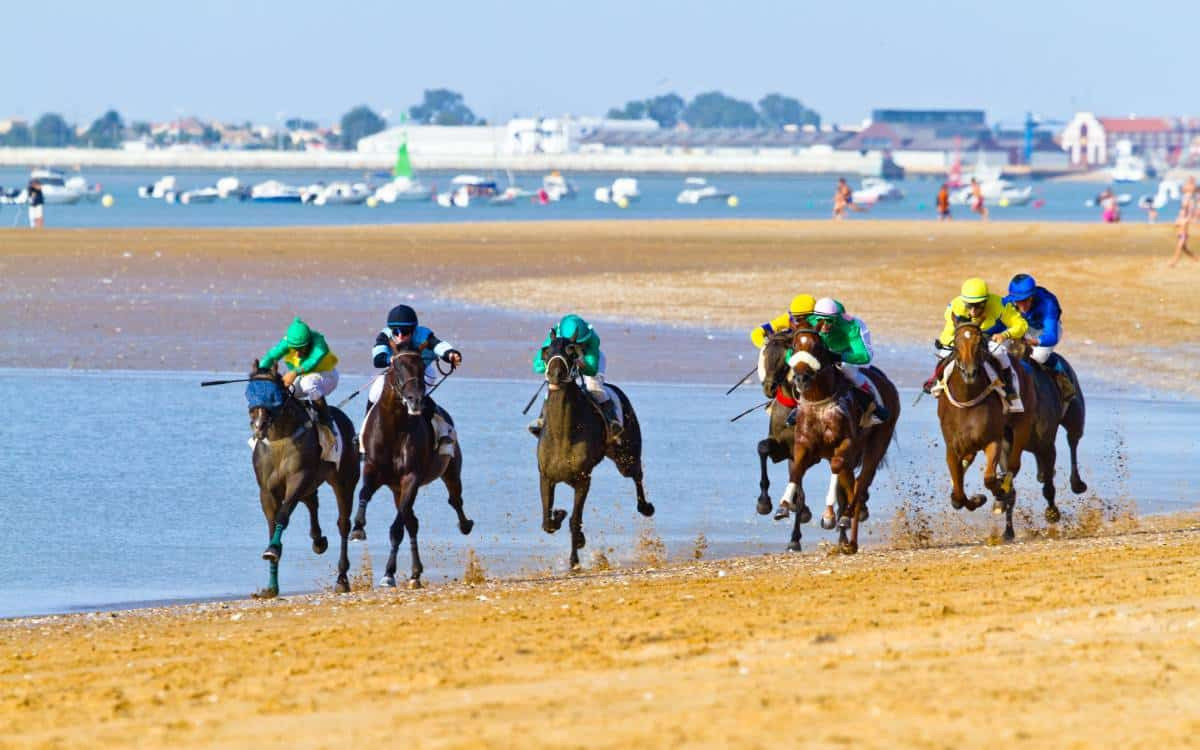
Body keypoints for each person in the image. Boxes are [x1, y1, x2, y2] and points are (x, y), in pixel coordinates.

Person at [366, 304, 461, 455]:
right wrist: (390, 359)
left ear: (414, 329)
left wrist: (450, 354)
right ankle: (365, 436)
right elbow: (378, 358)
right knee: (374, 393)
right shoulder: (384, 336)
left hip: (422, 371)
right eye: (395, 332)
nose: (400, 336)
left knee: (418, 394)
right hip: (398, 371)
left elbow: (439, 346)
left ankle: (443, 432)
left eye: (405, 332)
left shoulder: (423, 335)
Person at [923, 278, 1027, 413]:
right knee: (943, 353)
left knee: (999, 353)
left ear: (986, 301)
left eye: (978, 305)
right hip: (966, 338)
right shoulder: (955, 307)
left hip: (993, 337)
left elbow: (1021, 325)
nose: (972, 311)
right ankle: (937, 381)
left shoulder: (1000, 305)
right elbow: (947, 334)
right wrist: (951, 343)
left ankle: (1010, 389)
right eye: (969, 305)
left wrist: (1005, 335)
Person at [529, 313, 621, 440]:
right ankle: (542, 419)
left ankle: (612, 421)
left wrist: (582, 364)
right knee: (553, 383)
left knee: (593, 386)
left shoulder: (593, 338)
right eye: (574, 345)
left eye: (581, 344)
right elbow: (537, 366)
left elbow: (592, 369)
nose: (578, 346)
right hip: (565, 362)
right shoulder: (554, 336)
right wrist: (550, 365)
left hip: (587, 359)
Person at [990, 273, 1074, 401]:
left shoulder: (1048, 304)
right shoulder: (1008, 302)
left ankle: (1061, 374)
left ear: (1032, 296)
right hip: (1022, 327)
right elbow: (998, 326)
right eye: (1018, 301)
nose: (1022, 306)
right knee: (997, 349)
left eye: (1025, 300)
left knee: (1038, 356)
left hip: (1044, 330)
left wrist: (1035, 341)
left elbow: (1051, 335)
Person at [806, 298, 889, 423]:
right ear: (814, 318)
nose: (825, 325)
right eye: (820, 321)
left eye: (829, 321)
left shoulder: (851, 327)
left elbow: (865, 356)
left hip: (848, 350)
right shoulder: (808, 322)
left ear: (836, 318)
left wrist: (839, 356)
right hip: (826, 349)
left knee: (847, 370)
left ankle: (872, 405)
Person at [259, 317, 340, 442]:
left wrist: (294, 372)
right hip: (303, 376)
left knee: (308, 383)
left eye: (301, 349)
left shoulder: (319, 342)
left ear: (308, 342)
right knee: (281, 390)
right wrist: (261, 374)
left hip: (327, 376)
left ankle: (326, 421)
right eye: (294, 349)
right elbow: (269, 357)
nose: (296, 354)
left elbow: (312, 362)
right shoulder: (286, 343)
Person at [1170, 181, 1198, 267]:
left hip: (1184, 221)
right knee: (1184, 247)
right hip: (1183, 220)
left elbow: (1186, 209)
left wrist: (1184, 220)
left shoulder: (1189, 197)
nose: (1184, 186)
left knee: (1180, 244)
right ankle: (1196, 258)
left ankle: (1173, 262)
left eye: (1186, 186)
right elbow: (1185, 209)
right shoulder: (1187, 197)